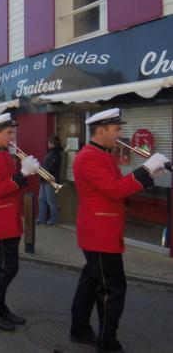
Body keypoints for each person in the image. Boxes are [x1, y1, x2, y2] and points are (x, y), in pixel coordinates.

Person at [70, 108, 169, 353]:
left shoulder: (102, 154)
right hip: (99, 234)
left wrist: (149, 173)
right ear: (101, 130)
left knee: (91, 282)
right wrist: (145, 170)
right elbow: (115, 190)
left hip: (101, 231)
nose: (121, 133)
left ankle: (80, 329)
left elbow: (116, 188)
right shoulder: (90, 156)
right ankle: (107, 343)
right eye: (117, 129)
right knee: (112, 290)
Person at [0, 113, 39, 331]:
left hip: (11, 216)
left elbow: (12, 185)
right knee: (6, 267)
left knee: (5, 267)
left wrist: (26, 171)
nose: (13, 136)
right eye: (8, 132)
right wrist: (22, 174)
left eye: (13, 131)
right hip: (0, 217)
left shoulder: (6, 154)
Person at [36, 135, 63, 225]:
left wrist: (41, 172)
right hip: (44, 180)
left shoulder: (55, 154)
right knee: (41, 199)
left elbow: (51, 168)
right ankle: (41, 218)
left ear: (52, 143)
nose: (47, 144)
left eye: (48, 142)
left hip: (50, 180)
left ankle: (53, 219)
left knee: (51, 201)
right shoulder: (51, 153)